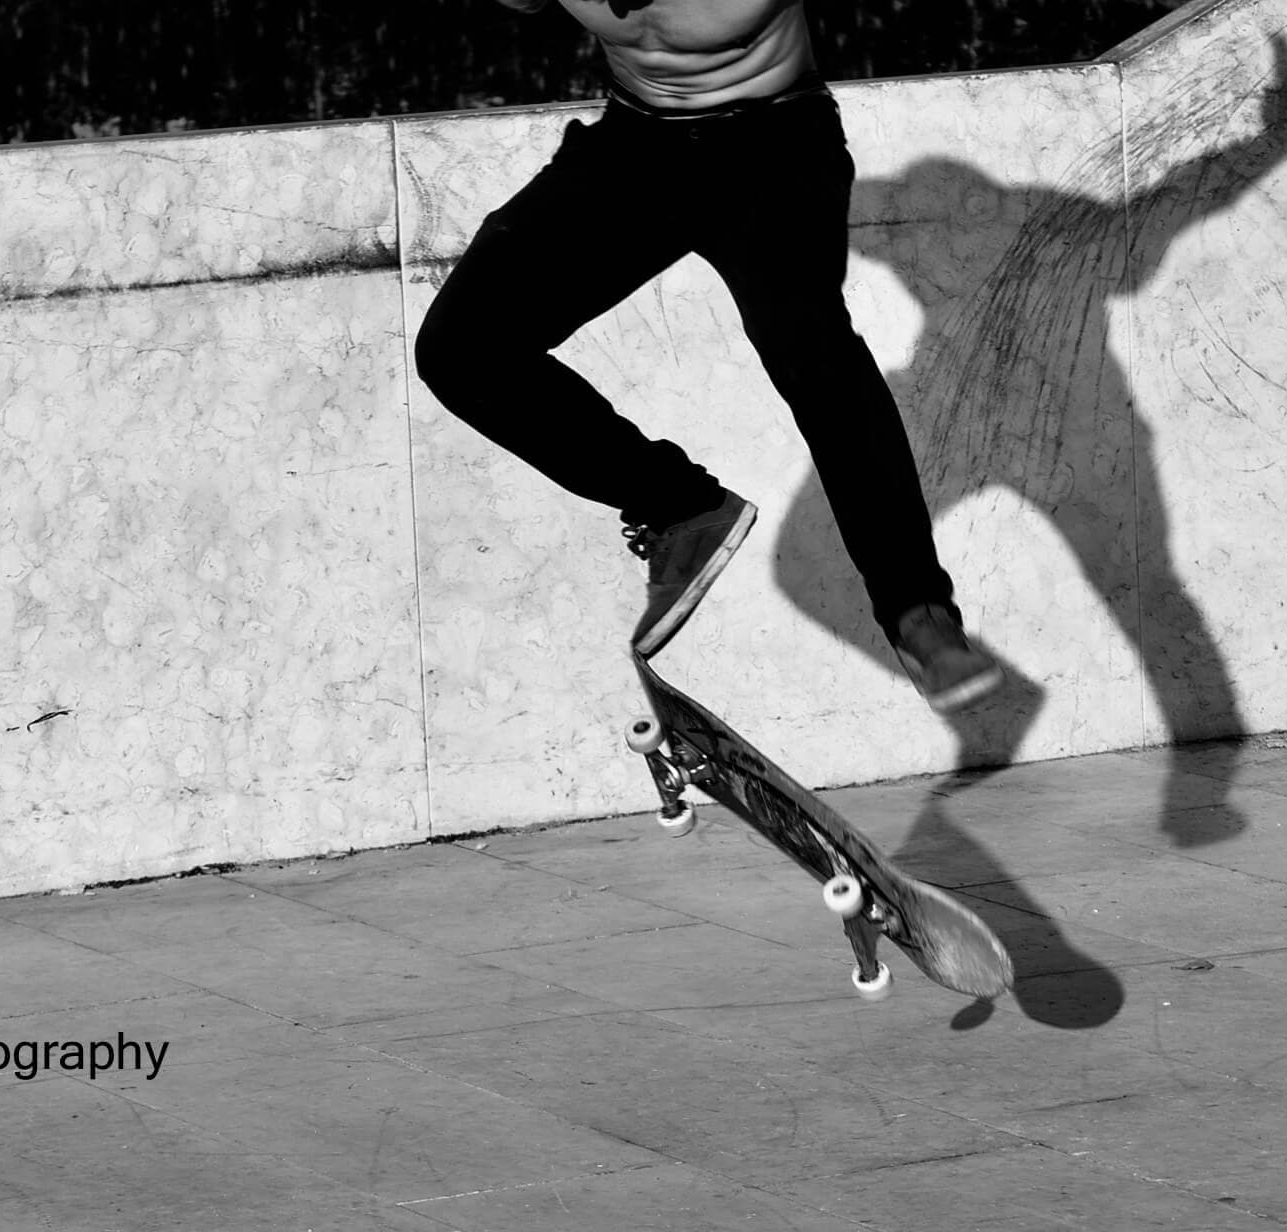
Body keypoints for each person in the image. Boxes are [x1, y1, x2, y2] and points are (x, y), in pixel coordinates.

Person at [413, 0, 1002, 712]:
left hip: (775, 143)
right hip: (638, 144)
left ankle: (918, 613)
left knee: (809, 348)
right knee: (463, 348)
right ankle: (680, 508)